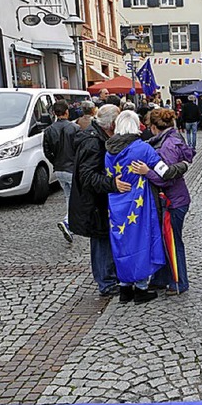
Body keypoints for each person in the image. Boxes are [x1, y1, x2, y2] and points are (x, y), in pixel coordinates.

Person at [104, 111, 170, 304]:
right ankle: (141, 287)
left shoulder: (108, 151)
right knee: (141, 242)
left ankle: (125, 287)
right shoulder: (141, 148)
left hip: (116, 203)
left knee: (121, 243)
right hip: (137, 204)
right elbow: (162, 170)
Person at [70, 105, 128, 296]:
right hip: (94, 204)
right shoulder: (93, 142)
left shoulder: (99, 137)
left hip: (100, 202)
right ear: (111, 124)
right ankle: (106, 283)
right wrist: (112, 183)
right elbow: (87, 177)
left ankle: (110, 278)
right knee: (101, 241)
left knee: (104, 240)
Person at [138, 108, 194, 295]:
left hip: (173, 201)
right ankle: (162, 278)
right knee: (164, 240)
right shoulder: (173, 138)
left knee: (172, 241)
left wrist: (147, 172)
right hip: (174, 199)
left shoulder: (167, 145)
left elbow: (166, 177)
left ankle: (179, 281)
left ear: (154, 127)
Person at [42, 99, 79, 243]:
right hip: (72, 168)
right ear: (67, 111)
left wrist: (55, 162)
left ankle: (70, 225)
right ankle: (68, 222)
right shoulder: (74, 128)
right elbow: (79, 149)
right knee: (78, 198)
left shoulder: (49, 130)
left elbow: (47, 151)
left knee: (69, 197)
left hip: (59, 169)